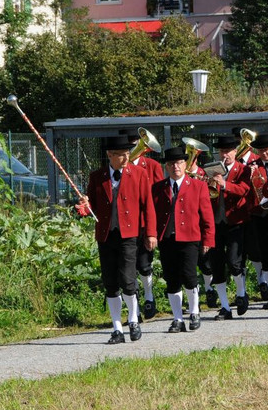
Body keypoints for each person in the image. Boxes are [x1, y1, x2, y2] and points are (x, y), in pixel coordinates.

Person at [84, 135, 157, 344]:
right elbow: (92, 207)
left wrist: (151, 233)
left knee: (128, 280)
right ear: (110, 155)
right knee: (110, 283)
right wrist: (84, 205)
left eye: (127, 154)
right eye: (121, 155)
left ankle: (133, 320)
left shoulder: (140, 174)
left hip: (129, 234)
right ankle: (117, 328)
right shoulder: (97, 177)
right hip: (106, 236)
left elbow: (148, 206)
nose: (126, 158)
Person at [152, 146, 215, 333]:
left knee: (189, 276)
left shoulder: (198, 186)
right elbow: (152, 214)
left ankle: (194, 311)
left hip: (190, 237)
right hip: (167, 238)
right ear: (166, 166)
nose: (175, 167)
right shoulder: (158, 188)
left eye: (179, 163)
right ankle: (177, 318)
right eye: (171, 164)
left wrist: (208, 240)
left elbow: (207, 215)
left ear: (185, 164)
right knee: (172, 279)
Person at [207, 135, 254, 318]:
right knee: (216, 264)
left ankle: (242, 294)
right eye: (221, 151)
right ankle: (225, 307)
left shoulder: (244, 169)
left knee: (234, 262)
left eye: (228, 151)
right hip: (215, 222)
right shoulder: (212, 169)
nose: (224, 154)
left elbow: (244, 189)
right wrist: (209, 183)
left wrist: (224, 184)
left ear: (235, 152)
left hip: (236, 221)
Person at [121, 128, 165, 319]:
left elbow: (157, 195)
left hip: (144, 221)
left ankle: (149, 296)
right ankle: (134, 306)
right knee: (127, 267)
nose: (133, 149)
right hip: (125, 222)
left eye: (135, 145)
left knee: (144, 264)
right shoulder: (120, 168)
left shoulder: (152, 165)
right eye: (131, 146)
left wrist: (151, 228)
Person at [245, 133, 268, 307]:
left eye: (267, 149)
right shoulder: (253, 166)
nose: (264, 153)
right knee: (265, 254)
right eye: (260, 150)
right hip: (260, 215)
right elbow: (249, 190)